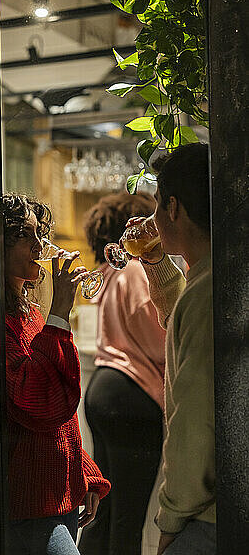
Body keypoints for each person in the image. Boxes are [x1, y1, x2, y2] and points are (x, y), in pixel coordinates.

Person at [0, 194, 111, 555]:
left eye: (41, 235)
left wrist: (84, 474)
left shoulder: (28, 312)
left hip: (57, 493)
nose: (42, 246)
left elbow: (61, 414)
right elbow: (36, 402)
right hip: (27, 500)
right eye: (29, 236)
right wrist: (62, 310)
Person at [132, 143, 215, 554]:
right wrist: (154, 259)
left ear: (175, 208)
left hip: (211, 514)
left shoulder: (207, 295)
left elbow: (193, 422)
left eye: (156, 208)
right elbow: (179, 308)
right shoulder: (211, 278)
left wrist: (170, 521)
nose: (152, 220)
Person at [78, 192, 166, 555]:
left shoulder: (113, 273)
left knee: (104, 509)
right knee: (127, 517)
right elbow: (160, 343)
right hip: (131, 395)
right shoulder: (135, 271)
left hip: (103, 388)